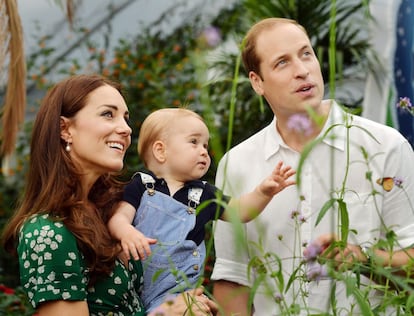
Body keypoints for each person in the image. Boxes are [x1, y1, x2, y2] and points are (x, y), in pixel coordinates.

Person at [211, 17, 414, 315]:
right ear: (257, 82)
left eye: (306, 54)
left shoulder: (385, 146)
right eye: (282, 62)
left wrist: (365, 260)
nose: (302, 70)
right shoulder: (236, 163)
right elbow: (232, 278)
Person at [1, 74, 217, 316]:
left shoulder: (115, 210)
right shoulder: (47, 232)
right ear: (65, 129)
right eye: (108, 114)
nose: (126, 129)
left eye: (126, 118)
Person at [107, 107, 296, 312]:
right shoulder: (142, 185)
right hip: (133, 287)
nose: (204, 151)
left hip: (178, 293)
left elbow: (240, 212)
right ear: (161, 151)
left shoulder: (204, 193)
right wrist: (127, 232)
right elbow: (118, 218)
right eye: (194, 142)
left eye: (205, 145)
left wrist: (263, 192)